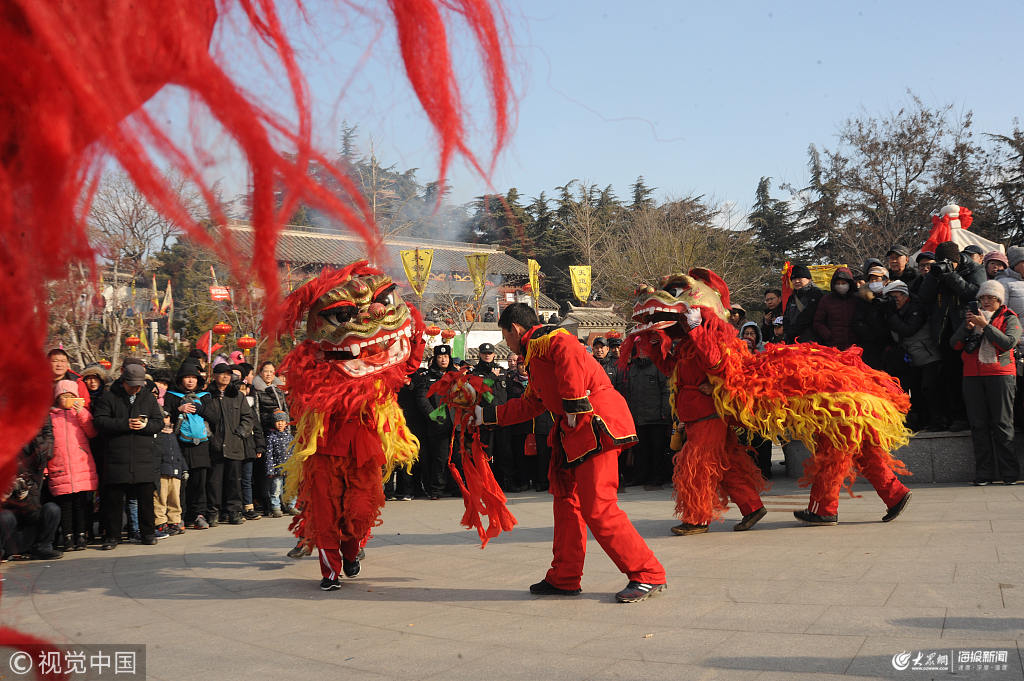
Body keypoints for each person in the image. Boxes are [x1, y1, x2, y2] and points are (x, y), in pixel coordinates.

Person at [481, 303, 667, 603]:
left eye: (505, 335)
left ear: (514, 330)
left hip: (594, 424)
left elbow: (568, 353)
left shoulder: (551, 339)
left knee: (599, 507)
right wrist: (484, 415)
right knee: (567, 505)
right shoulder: (537, 354)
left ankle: (648, 573)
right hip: (574, 432)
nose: (507, 343)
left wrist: (573, 403)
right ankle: (565, 576)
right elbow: (530, 404)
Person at [951, 280, 1022, 486]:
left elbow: (1008, 342)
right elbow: (954, 345)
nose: (986, 301)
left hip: (1001, 375)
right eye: (982, 297)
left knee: (1002, 424)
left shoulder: (1010, 318)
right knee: (979, 426)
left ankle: (1010, 473)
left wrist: (986, 326)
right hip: (972, 376)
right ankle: (983, 473)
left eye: (990, 297)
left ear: (999, 300)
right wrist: (967, 328)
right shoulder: (972, 319)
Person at [92, 363, 164, 548]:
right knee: (113, 500)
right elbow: (100, 421)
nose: (136, 388)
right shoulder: (109, 397)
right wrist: (125, 423)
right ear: (123, 381)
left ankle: (148, 533)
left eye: (139, 385)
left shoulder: (148, 398)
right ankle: (112, 536)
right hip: (118, 456)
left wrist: (145, 426)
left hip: (143, 456)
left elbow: (159, 422)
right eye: (132, 384)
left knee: (146, 499)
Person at [919, 240, 988, 431]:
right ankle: (958, 417)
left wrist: (952, 277)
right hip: (944, 330)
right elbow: (924, 297)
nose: (945, 265)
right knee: (951, 376)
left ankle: (977, 417)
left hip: (968, 328)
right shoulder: (936, 271)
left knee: (971, 376)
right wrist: (934, 276)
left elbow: (976, 292)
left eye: (949, 262)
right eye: (941, 261)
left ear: (957, 260)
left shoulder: (974, 268)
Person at [878, 281, 943, 432]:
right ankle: (920, 420)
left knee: (928, 387)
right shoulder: (893, 312)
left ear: (905, 296)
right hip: (910, 360)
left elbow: (907, 329)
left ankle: (938, 419)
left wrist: (889, 314)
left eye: (895, 297)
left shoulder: (917, 308)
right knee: (913, 391)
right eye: (889, 297)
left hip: (929, 356)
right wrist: (881, 311)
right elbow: (881, 332)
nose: (893, 301)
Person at [164, 361, 219, 530]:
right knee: (181, 483)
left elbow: (215, 418)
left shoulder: (205, 396)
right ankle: (180, 516)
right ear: (180, 379)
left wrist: (201, 409)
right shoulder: (171, 396)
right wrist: (178, 409)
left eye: (194, 378)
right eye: (187, 377)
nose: (190, 381)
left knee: (200, 483)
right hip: (180, 446)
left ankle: (198, 515)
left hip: (201, 446)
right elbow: (165, 417)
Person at [47, 380, 99, 551]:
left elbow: (92, 432)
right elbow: (45, 443)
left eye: (71, 396)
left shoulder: (81, 414)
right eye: (64, 396)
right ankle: (68, 536)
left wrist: (82, 413)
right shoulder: (50, 416)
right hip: (59, 466)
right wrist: (46, 467)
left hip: (81, 466)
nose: (68, 399)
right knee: (65, 506)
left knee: (81, 504)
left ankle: (82, 535)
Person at [1, 417, 63, 560]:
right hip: (9, 529)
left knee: (51, 509)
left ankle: (43, 547)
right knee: (6, 515)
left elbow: (48, 432)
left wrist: (24, 497)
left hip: (35, 456)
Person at [621, 346, 671, 489]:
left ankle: (657, 477)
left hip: (657, 417)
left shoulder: (658, 366)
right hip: (638, 417)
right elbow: (629, 393)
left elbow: (666, 390)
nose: (642, 351)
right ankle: (640, 477)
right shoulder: (633, 369)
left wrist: (664, 410)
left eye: (645, 348)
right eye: (639, 349)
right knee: (640, 450)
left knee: (657, 449)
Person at [207, 363, 252, 525]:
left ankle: (234, 512)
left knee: (234, 481)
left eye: (228, 374)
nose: (225, 376)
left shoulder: (237, 396)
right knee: (214, 482)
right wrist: (210, 437)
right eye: (222, 373)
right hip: (215, 446)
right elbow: (203, 420)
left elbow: (248, 418)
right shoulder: (207, 395)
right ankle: (213, 513)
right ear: (214, 375)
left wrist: (240, 434)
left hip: (235, 445)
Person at [472, 343, 516, 491]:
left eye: (490, 353)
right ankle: (485, 484)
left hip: (502, 418)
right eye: (484, 353)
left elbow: (510, 395)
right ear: (479, 354)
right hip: (485, 419)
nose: (487, 355)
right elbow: (478, 389)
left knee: (505, 453)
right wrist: (491, 376)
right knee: (486, 454)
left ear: (494, 354)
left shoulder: (502, 372)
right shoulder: (475, 373)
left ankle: (507, 482)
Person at [416, 345, 457, 499]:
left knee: (457, 458)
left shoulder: (456, 375)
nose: (443, 359)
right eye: (440, 357)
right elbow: (422, 399)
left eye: (446, 356)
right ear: (435, 359)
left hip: (456, 423)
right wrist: (433, 416)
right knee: (440, 458)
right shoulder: (427, 377)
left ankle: (455, 487)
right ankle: (436, 489)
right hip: (438, 423)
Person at [155, 411, 187, 535]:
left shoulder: (173, 434)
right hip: (162, 469)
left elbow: (178, 452)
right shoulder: (156, 434)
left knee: (175, 498)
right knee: (160, 498)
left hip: (176, 469)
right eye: (162, 417)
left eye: (167, 417)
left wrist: (184, 468)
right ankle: (160, 522)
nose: (165, 420)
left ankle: (175, 521)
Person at [812, 267, 860, 350]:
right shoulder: (825, 300)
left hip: (855, 347)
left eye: (843, 283)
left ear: (850, 283)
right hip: (833, 347)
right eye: (838, 283)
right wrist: (828, 335)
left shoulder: (857, 300)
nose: (841, 286)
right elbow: (818, 322)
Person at [783, 265, 823, 344]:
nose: (796, 281)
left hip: (811, 341)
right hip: (793, 340)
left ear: (809, 279)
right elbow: (786, 317)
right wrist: (787, 334)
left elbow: (807, 316)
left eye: (799, 278)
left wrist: (792, 332)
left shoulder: (816, 294)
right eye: (794, 279)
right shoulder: (792, 298)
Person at [264, 411, 294, 516]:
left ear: (286, 423)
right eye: (278, 421)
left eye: (282, 421)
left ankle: (292, 506)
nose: (280, 423)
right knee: (276, 489)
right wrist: (270, 469)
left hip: (289, 468)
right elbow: (269, 455)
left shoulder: (290, 437)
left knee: (290, 488)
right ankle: (276, 507)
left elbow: (294, 452)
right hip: (276, 469)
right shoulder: (271, 437)